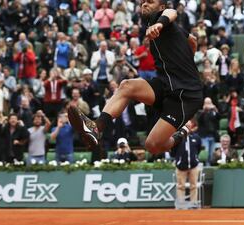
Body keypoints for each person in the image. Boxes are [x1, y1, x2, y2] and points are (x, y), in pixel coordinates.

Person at [68, 0, 203, 156]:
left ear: (161, 7)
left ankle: (180, 134)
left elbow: (172, 12)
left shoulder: (161, 20)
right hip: (166, 84)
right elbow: (192, 40)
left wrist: (159, 24)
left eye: (150, 2)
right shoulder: (171, 29)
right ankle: (97, 127)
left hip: (186, 94)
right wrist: (188, 58)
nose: (144, 4)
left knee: (152, 146)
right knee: (126, 86)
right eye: (143, 2)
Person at [170, 120, 201, 209]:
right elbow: (173, 152)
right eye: (186, 126)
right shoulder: (177, 138)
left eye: (189, 126)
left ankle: (193, 204)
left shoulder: (196, 138)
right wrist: (179, 160)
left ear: (192, 127)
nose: (188, 128)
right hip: (181, 166)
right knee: (180, 186)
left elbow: (198, 149)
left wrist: (194, 158)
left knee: (194, 185)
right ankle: (181, 204)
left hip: (193, 166)